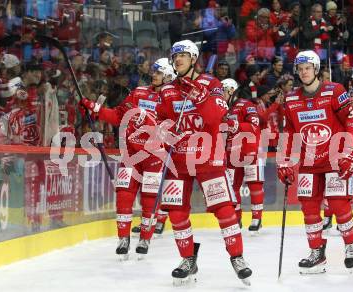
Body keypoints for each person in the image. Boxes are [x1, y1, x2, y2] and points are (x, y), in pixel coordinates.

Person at [156, 40, 252, 285]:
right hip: (178, 159)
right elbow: (162, 122)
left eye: (183, 55)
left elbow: (216, 118)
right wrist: (165, 134)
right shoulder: (167, 90)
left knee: (224, 208)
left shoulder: (211, 84)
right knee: (176, 212)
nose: (177, 59)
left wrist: (200, 97)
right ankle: (188, 259)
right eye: (174, 55)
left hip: (208, 156)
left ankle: (237, 257)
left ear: (194, 58)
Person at [80, 58, 175, 259]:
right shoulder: (139, 92)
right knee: (124, 194)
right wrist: (94, 110)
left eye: (159, 72)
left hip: (155, 157)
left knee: (150, 199)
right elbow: (117, 116)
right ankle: (123, 238)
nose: (154, 75)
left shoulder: (174, 100)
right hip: (131, 154)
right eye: (154, 72)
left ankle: (145, 238)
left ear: (169, 76)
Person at [277, 50, 353, 274]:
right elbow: (290, 133)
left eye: (308, 68)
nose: (304, 72)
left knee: (338, 205)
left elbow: (352, 123)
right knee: (309, 209)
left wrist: (349, 153)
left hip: (335, 159)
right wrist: (284, 162)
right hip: (308, 162)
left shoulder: (335, 91)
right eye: (300, 69)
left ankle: (350, 245)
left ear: (316, 69)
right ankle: (317, 253)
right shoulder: (292, 98)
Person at [323, 86, 353, 231]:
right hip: (337, 153)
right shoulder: (342, 110)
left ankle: (343, 219)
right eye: (351, 96)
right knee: (330, 186)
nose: (351, 99)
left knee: (347, 190)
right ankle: (328, 218)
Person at [221, 78, 264, 234]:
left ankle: (257, 218)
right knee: (232, 187)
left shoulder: (245, 104)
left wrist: (235, 125)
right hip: (232, 152)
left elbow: (254, 124)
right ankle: (236, 218)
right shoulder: (222, 108)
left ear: (231, 90)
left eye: (223, 92)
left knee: (254, 184)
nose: (220, 95)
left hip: (250, 149)